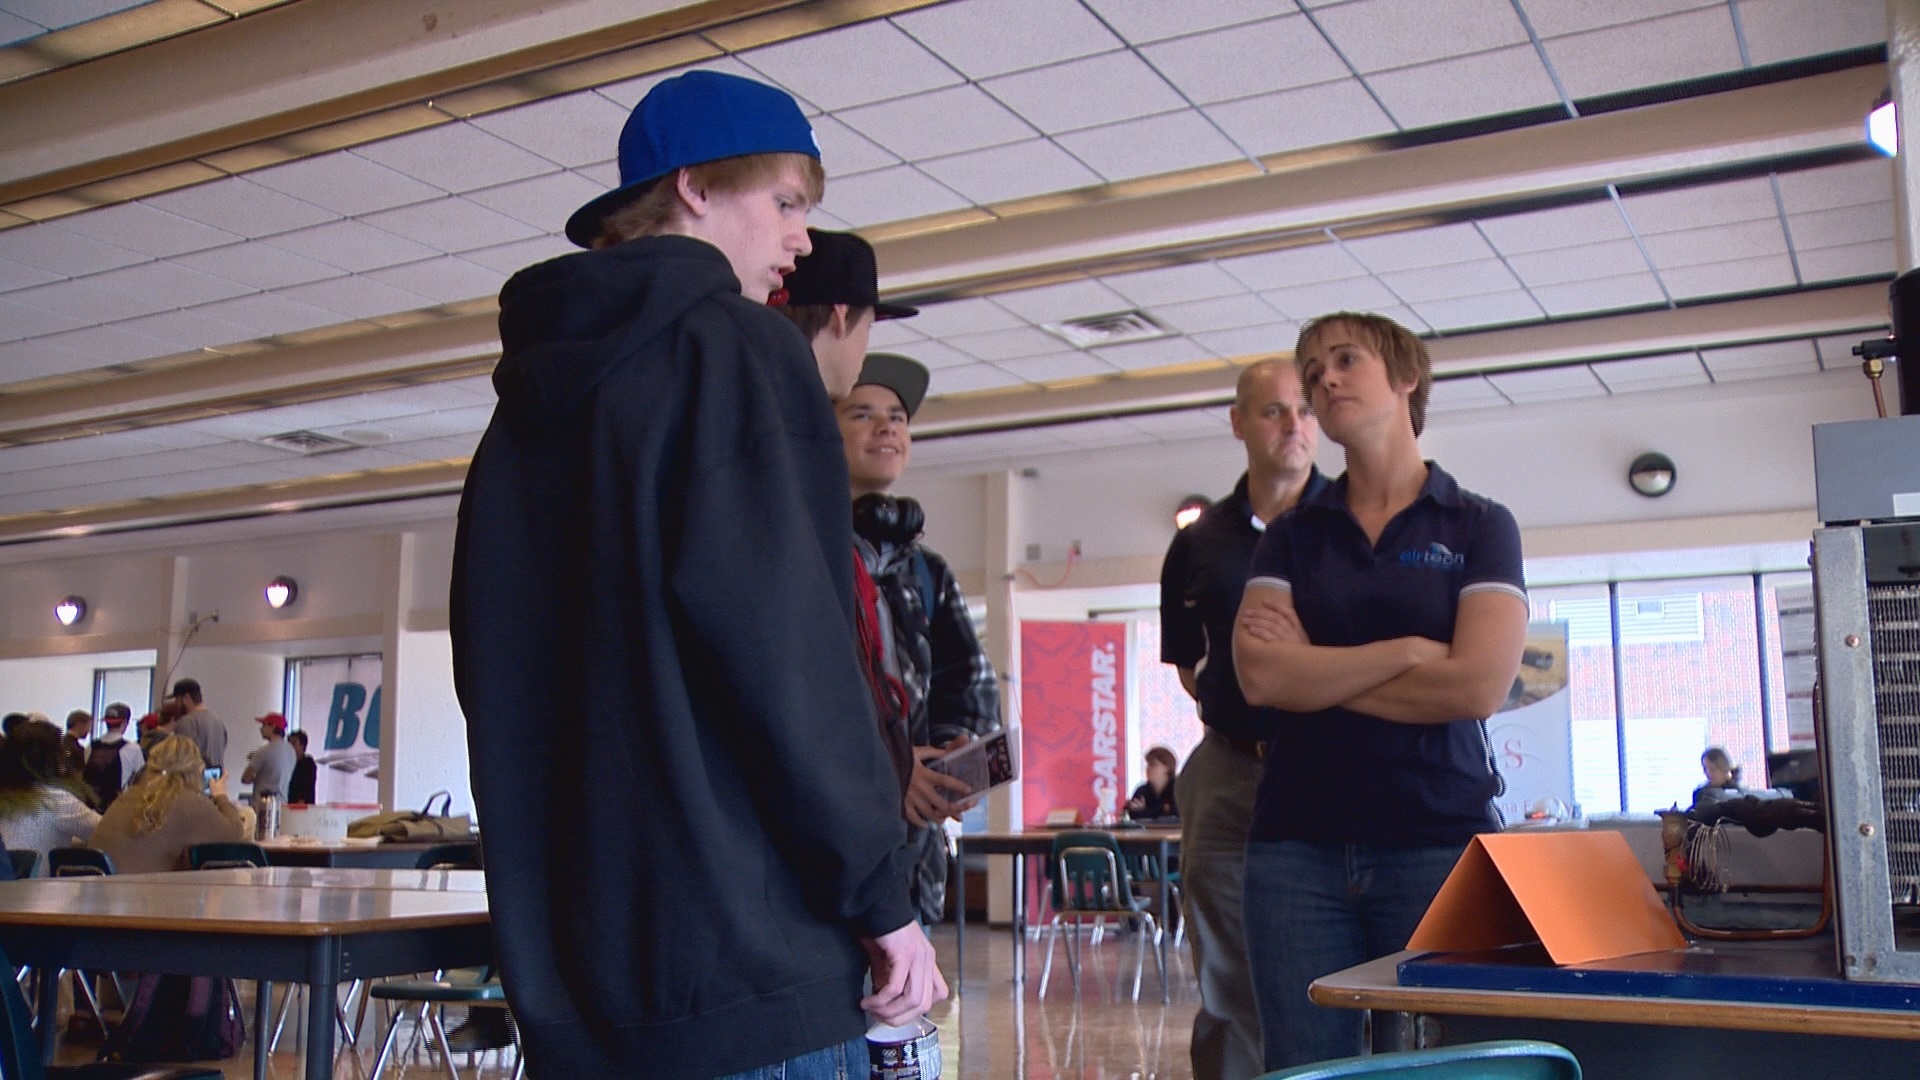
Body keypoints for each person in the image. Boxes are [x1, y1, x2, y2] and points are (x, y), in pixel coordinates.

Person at [450, 70, 942, 1080]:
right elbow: (787, 656)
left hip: (580, 988)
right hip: (750, 975)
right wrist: (880, 898)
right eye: (788, 202)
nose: (801, 240)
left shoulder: (523, 412)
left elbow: (491, 670)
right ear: (697, 187)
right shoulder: (738, 350)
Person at [1233, 311, 1528, 1070]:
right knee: (1303, 1068)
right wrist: (1405, 652)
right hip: (1296, 848)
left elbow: (1476, 686)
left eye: (1345, 360)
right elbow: (1261, 674)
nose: (1324, 380)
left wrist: (1314, 672)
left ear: (1405, 377)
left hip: (1436, 840)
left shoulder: (1480, 525)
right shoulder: (1292, 534)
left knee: (1444, 1067)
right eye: (1313, 370)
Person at [1157, 357, 1324, 1080]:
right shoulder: (1199, 542)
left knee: (1324, 969)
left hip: (1326, 766)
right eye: (1274, 410)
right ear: (1239, 423)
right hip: (1227, 769)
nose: (1294, 426)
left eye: (1306, 410)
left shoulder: (1351, 523)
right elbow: (1186, 662)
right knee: (1226, 974)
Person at [90, 735, 247, 874]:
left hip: (100, 891)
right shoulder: (190, 803)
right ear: (197, 769)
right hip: (143, 894)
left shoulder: (129, 795)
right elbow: (234, 834)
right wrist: (221, 796)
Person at [0, 722, 100, 869]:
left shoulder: (7, 796)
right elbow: (106, 832)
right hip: (35, 883)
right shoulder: (55, 800)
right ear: (55, 758)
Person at [82, 703, 144, 812]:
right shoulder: (133, 749)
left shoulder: (90, 747)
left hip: (89, 807)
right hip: (116, 808)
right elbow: (141, 779)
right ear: (125, 722)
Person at [167, 679, 226, 772]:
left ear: (186, 698)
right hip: (216, 779)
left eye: (177, 700)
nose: (176, 704)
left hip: (194, 779)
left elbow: (183, 759)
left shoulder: (186, 722)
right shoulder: (218, 722)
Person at [241, 712, 295, 799]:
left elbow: (246, 778)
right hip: (282, 801)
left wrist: (259, 777)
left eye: (264, 725)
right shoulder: (291, 750)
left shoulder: (264, 751)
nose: (261, 729)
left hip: (263, 803)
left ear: (273, 726)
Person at [1127, 747, 1180, 821]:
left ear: (1167, 767)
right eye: (1147, 764)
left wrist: (1145, 811)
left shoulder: (1178, 789)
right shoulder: (1142, 790)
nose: (1148, 768)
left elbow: (1176, 814)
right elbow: (1131, 814)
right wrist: (1163, 809)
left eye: (1153, 764)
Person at [287, 730, 318, 805]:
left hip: (302, 807)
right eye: (288, 743)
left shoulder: (308, 763)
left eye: (294, 743)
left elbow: (307, 788)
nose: (290, 747)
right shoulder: (288, 763)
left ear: (302, 745)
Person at [63, 710, 91, 776]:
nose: (89, 730)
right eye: (88, 726)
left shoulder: (57, 744)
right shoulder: (77, 750)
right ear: (79, 725)